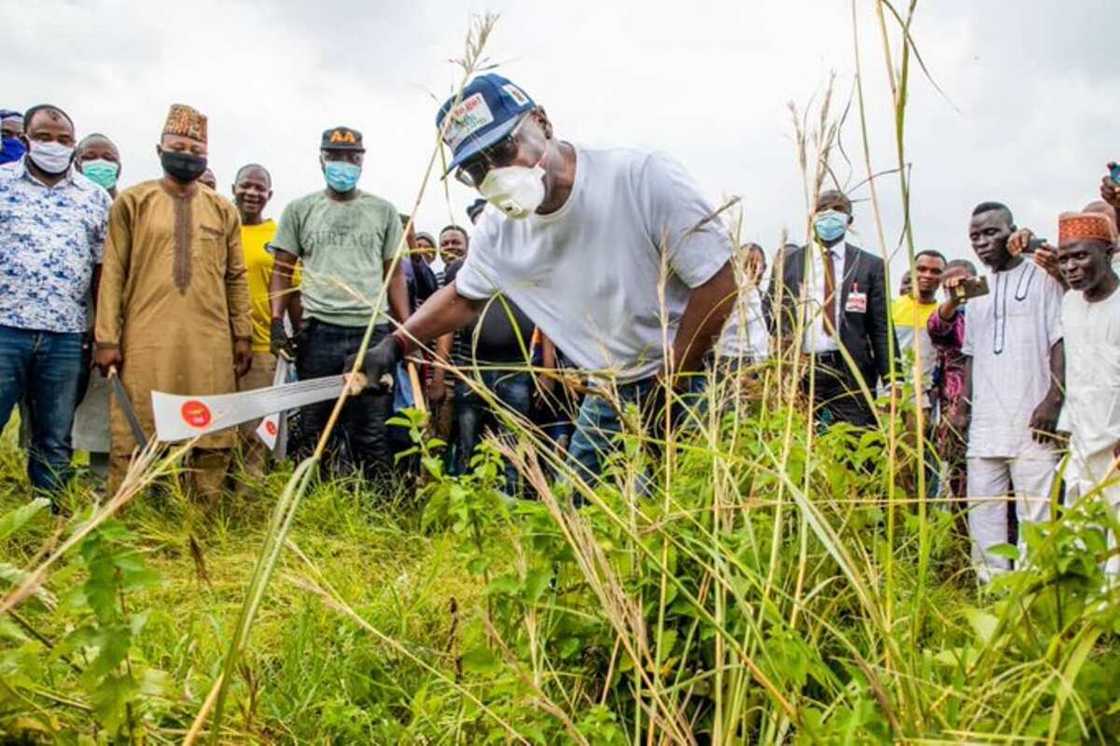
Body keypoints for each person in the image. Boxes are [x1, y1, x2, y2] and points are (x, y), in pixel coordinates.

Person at [349, 73, 736, 482]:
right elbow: (463, 298)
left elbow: (718, 284)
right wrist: (393, 345)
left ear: (541, 122)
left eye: (503, 151)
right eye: (476, 170)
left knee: (693, 497)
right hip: (617, 380)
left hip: (701, 365)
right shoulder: (498, 230)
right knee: (579, 507)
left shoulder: (638, 176)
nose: (494, 176)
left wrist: (672, 385)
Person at [94, 104, 252, 503]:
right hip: (145, 337)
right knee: (136, 429)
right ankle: (128, 514)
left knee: (210, 430)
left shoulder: (222, 209)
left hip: (211, 338)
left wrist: (243, 334)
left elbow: (236, 276)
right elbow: (112, 273)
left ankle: (202, 515)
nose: (187, 154)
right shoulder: (133, 202)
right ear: (160, 148)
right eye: (178, 146)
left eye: (196, 150)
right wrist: (107, 339)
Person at [268, 125, 408, 480]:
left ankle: (377, 507)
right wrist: (275, 320)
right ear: (322, 159)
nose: (343, 163)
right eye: (335, 156)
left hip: (370, 335)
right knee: (315, 428)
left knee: (372, 431)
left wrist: (406, 333)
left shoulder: (383, 211)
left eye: (351, 157)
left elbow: (394, 275)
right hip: (319, 334)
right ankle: (315, 505)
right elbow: (282, 269)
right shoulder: (300, 210)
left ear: (361, 161)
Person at [0, 104, 111, 501]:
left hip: (66, 334)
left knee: (55, 435)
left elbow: (102, 271)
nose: (54, 145)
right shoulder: (3, 183)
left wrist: (101, 333)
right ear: (26, 138)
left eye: (64, 140)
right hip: (6, 327)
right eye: (44, 137)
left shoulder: (94, 198)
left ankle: (49, 517)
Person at [959, 201, 1064, 582]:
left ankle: (1034, 595)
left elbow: (1059, 339)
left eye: (992, 232)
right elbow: (969, 353)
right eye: (975, 236)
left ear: (1013, 231)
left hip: (1033, 420)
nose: (983, 242)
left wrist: (1053, 398)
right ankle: (993, 593)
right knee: (983, 512)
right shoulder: (974, 290)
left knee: (1035, 514)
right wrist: (962, 408)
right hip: (985, 423)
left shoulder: (1042, 275)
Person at [766, 189, 895, 428]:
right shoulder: (788, 264)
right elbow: (770, 316)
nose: (829, 215)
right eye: (822, 209)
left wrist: (892, 379)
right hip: (801, 370)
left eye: (837, 210)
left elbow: (881, 327)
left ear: (849, 221)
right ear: (811, 217)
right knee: (800, 437)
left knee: (855, 440)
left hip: (850, 371)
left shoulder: (869, 265)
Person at [438, 230, 540, 492]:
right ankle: (465, 498)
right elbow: (448, 323)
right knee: (467, 442)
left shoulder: (529, 265)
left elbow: (544, 319)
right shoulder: (462, 268)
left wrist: (547, 371)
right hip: (472, 370)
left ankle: (511, 504)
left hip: (515, 369)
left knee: (512, 444)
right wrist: (439, 375)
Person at [1055, 211, 1120, 577]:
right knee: (1080, 535)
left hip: (1116, 446)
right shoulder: (1069, 304)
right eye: (1064, 258)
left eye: (1080, 256)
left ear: (1108, 253)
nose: (1071, 266)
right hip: (1081, 441)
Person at [71, 133, 125, 480]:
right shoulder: (67, 201)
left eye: (109, 158)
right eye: (92, 156)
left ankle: (98, 481)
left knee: (102, 404)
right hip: (65, 319)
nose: (101, 164)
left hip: (111, 325)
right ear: (77, 162)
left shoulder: (127, 207)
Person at [231, 163, 281, 477]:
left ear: (269, 195)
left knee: (253, 434)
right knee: (214, 433)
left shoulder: (278, 235)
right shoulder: (220, 226)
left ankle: (248, 512)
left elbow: (291, 291)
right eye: (246, 186)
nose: (252, 193)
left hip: (262, 347)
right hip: (215, 345)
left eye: (260, 188)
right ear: (232, 189)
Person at [927, 258, 978, 503]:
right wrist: (955, 299)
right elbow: (936, 327)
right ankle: (961, 538)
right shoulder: (951, 318)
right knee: (960, 481)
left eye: (964, 283)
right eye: (949, 286)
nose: (957, 288)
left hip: (995, 405)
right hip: (957, 410)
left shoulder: (992, 310)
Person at [892, 250, 946, 410]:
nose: (927, 275)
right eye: (921, 269)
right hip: (889, 395)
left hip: (921, 398)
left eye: (935, 271)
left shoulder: (943, 314)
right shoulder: (891, 307)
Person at [715, 243, 770, 370]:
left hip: (756, 367)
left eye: (758, 266)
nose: (754, 271)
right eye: (748, 264)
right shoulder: (726, 295)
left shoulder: (766, 301)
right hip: (730, 362)